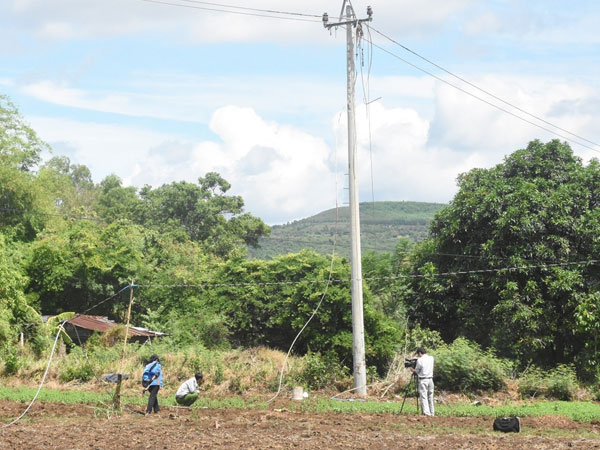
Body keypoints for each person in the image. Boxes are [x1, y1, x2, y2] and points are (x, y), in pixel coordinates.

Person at [410, 346, 435, 417]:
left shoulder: (420, 360)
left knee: (423, 396)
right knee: (430, 397)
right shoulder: (431, 358)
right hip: (430, 379)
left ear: (420, 353)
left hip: (423, 380)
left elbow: (417, 371)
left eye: (418, 354)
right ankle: (432, 413)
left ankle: (426, 413)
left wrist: (412, 370)